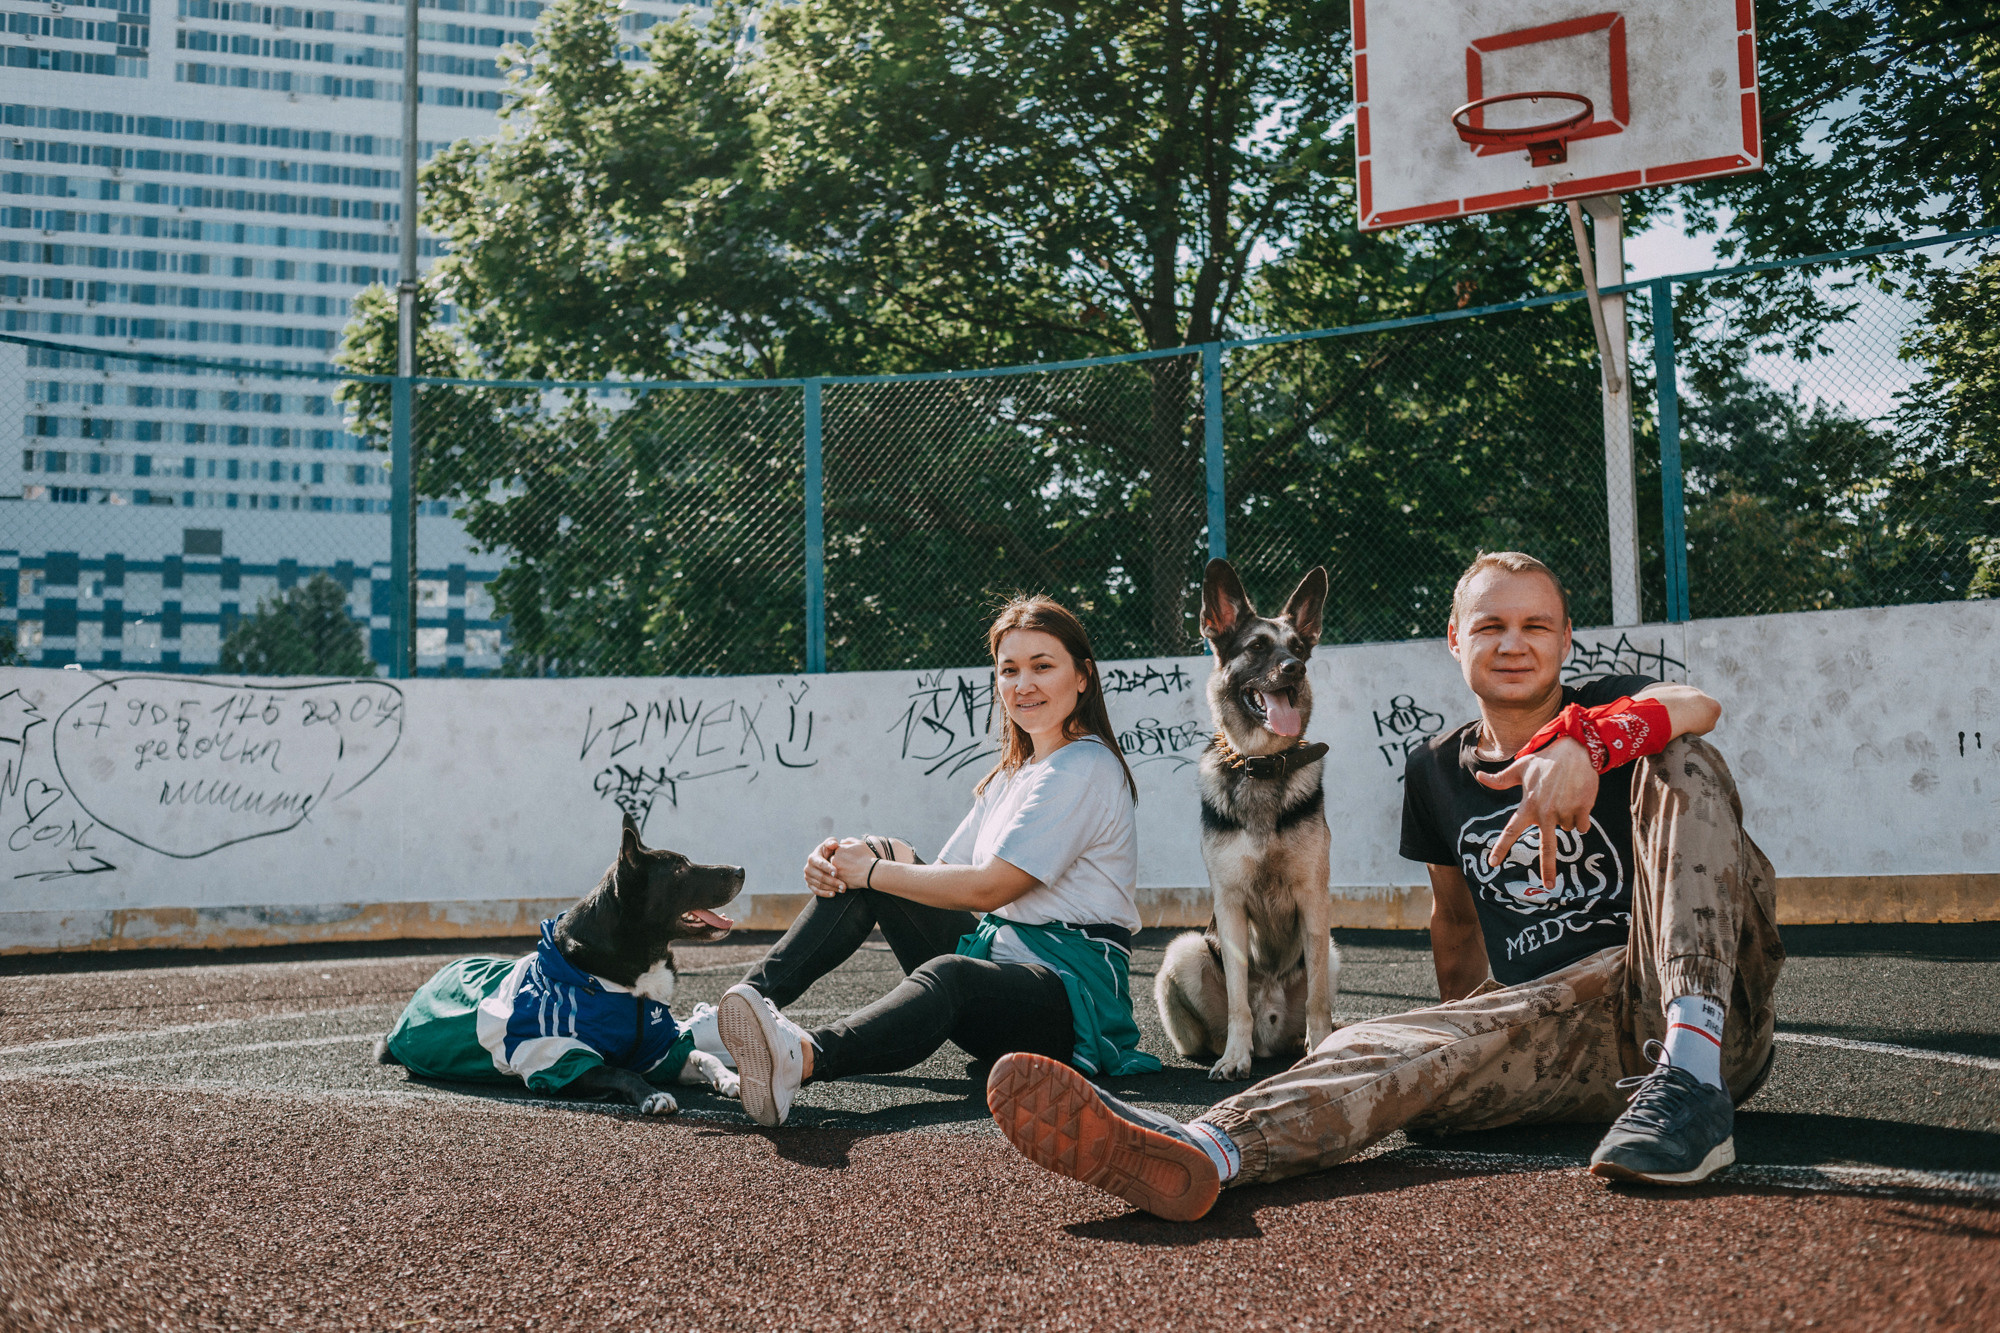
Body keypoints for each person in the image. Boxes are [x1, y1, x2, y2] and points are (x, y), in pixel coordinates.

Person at [986, 551, 1785, 1220]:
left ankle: (1691, 1072)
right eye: (1491, 626)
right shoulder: (1437, 768)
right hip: (1572, 1033)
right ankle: (1202, 1146)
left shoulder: (1610, 703)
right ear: (1454, 639)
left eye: (1536, 625)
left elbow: (1696, 705)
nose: (1514, 643)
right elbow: (1457, 924)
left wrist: (1596, 743)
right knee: (1374, 1042)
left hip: (1701, 1003)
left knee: (1680, 753)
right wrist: (1457, 1036)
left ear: (1567, 639)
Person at [717, 595, 1160, 1127]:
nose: (1024, 685)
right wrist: (848, 857)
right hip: (1003, 969)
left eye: (1043, 667)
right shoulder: (1011, 775)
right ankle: (736, 1017)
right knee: (871, 870)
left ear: (1083, 676)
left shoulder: (1084, 766)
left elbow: (987, 890)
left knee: (949, 972)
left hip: (1069, 1000)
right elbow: (936, 873)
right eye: (1009, 671)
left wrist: (875, 868)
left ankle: (802, 1057)